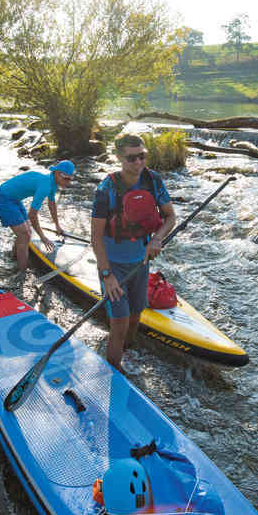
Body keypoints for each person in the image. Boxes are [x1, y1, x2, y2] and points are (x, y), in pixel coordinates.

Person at [91, 134, 176, 372]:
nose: (138, 162)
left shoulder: (153, 180)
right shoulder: (105, 189)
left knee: (136, 316)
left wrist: (157, 238)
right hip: (113, 266)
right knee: (119, 322)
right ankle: (113, 372)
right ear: (119, 158)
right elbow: (96, 237)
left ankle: (127, 351)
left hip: (141, 262)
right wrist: (107, 275)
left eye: (142, 156)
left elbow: (170, 217)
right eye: (131, 158)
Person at [0, 160, 75, 270]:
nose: (68, 182)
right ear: (57, 173)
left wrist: (57, 225)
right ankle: (21, 274)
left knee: (26, 230)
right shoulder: (46, 185)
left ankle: (13, 258)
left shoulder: (53, 182)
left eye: (70, 179)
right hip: (4, 197)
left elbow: (52, 204)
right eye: (66, 179)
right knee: (25, 235)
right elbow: (32, 215)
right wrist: (43, 237)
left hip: (14, 198)